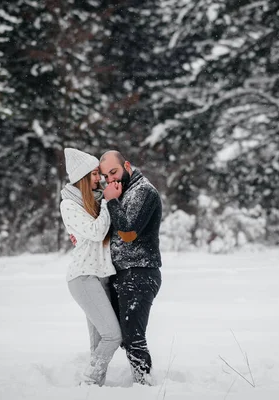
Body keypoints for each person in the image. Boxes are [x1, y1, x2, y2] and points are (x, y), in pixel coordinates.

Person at [59, 147, 123, 386]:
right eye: (95, 174)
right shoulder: (69, 205)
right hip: (84, 277)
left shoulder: (93, 202)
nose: (100, 178)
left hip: (101, 276)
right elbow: (97, 232)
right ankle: (88, 381)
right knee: (112, 336)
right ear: (82, 177)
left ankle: (94, 389)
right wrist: (108, 201)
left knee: (99, 341)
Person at [99, 150, 163, 385]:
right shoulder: (122, 192)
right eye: (106, 176)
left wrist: (111, 201)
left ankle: (144, 385)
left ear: (126, 165)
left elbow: (127, 234)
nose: (111, 179)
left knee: (134, 338)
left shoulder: (143, 191)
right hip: (122, 273)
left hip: (140, 272)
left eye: (114, 172)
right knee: (121, 337)